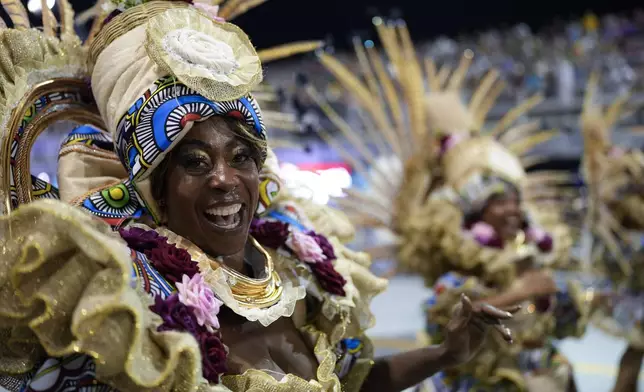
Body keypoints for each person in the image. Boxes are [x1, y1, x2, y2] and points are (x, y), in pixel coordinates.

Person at [0, 1, 517, 391]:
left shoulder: (301, 267)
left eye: (241, 156)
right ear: (155, 187)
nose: (224, 179)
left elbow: (357, 382)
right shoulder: (129, 302)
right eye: (194, 162)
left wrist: (446, 353)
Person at [311, 17, 596, 391]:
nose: (513, 211)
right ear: (476, 215)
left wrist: (570, 300)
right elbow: (442, 330)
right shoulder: (455, 280)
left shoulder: (531, 261)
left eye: (516, 202)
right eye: (499, 203)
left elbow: (565, 327)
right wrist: (521, 292)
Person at [580, 74, 644, 392]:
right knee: (634, 353)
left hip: (633, 289)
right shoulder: (617, 221)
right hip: (634, 291)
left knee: (634, 353)